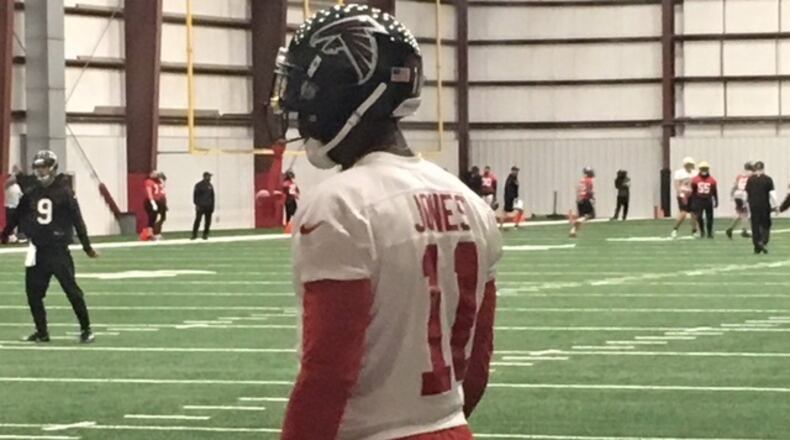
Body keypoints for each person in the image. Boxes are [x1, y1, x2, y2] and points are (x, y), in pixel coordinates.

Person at [271, 5, 503, 440]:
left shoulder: (341, 206)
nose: (298, 106)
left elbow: (328, 373)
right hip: (451, 427)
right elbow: (475, 364)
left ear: (345, 90)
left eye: (308, 88)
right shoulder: (472, 203)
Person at [5, 151, 97, 343]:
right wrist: (4, 234)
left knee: (71, 290)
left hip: (58, 250)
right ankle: (42, 331)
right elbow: (16, 215)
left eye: (44, 166)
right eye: (38, 167)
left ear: (53, 168)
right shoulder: (31, 191)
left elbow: (77, 219)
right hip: (38, 250)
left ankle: (86, 329)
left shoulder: (64, 192)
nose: (41, 171)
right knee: (33, 293)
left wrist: (86, 246)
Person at [746, 161, 778, 254]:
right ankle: (763, 241)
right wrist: (776, 206)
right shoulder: (768, 179)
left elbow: (746, 193)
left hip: (753, 206)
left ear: (755, 169)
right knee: (766, 225)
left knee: (755, 226)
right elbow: (772, 194)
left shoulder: (750, 179)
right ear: (763, 168)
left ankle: (756, 246)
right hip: (764, 206)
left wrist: (746, 205)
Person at [671, 157, 699, 238]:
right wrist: (681, 194)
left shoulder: (695, 173)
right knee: (683, 212)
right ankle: (675, 229)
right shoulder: (679, 173)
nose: (690, 166)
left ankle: (694, 231)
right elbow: (677, 184)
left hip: (693, 195)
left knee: (694, 213)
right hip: (683, 194)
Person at [725, 162, 753, 239]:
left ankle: (730, 229)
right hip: (744, 194)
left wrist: (732, 194)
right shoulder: (752, 175)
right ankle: (744, 231)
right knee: (744, 213)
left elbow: (735, 185)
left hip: (737, 193)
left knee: (740, 213)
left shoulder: (740, 176)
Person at [690, 161, 718, 239]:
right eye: (702, 168)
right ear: (700, 169)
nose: (704, 170)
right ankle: (702, 232)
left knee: (709, 217)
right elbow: (693, 192)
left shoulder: (712, 180)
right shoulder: (695, 179)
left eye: (705, 168)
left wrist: (716, 201)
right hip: (699, 200)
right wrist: (693, 202)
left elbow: (715, 191)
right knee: (699, 217)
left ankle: (709, 233)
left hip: (708, 200)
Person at [570, 167, 595, 238]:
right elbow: (589, 190)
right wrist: (592, 197)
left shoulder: (581, 180)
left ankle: (573, 231)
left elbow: (578, 190)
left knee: (581, 217)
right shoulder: (589, 180)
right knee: (590, 215)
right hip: (585, 199)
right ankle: (578, 221)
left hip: (579, 200)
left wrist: (578, 199)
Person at [1, 167, 23, 243]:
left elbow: (21, 196)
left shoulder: (17, 186)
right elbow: (11, 180)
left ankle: (12, 236)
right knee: (10, 223)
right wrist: (14, 173)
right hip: (9, 206)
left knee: (14, 222)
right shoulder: (7, 186)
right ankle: (6, 237)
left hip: (16, 207)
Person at [192, 171, 215, 240]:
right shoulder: (198, 185)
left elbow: (212, 196)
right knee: (198, 220)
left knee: (208, 221)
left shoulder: (210, 185)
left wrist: (212, 206)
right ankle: (194, 234)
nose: (210, 178)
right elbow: (195, 196)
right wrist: (197, 205)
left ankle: (205, 234)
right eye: (209, 176)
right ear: (205, 176)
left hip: (209, 206)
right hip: (201, 206)